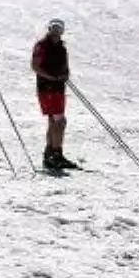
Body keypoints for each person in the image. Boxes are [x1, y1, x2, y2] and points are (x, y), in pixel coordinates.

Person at [32, 18, 78, 170]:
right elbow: (35, 66)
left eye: (59, 29)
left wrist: (65, 75)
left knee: (54, 121)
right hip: (47, 88)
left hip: (58, 88)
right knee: (60, 121)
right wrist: (52, 77)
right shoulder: (42, 46)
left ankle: (50, 153)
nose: (56, 31)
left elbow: (65, 67)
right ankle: (56, 154)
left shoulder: (62, 48)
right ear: (50, 29)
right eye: (54, 28)